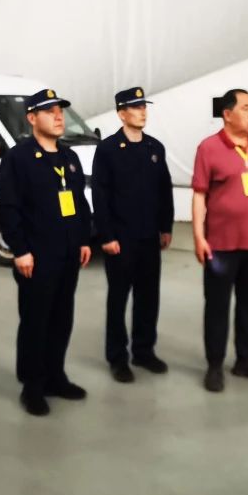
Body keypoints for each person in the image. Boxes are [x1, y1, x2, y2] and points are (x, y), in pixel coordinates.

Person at [0, 88, 93, 416]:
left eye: (60, 111)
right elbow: (9, 208)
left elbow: (78, 203)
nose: (58, 117)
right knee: (35, 322)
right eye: (49, 111)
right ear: (32, 118)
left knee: (62, 319)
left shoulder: (69, 158)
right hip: (36, 256)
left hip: (68, 253)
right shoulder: (19, 158)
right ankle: (33, 386)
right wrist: (20, 250)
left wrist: (83, 239)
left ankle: (56, 377)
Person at [192, 89, 248, 392]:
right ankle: (215, 365)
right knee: (217, 306)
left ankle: (245, 360)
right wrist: (199, 236)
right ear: (227, 114)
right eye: (245, 108)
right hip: (221, 245)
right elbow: (199, 195)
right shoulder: (208, 148)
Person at [92, 87, 175, 383]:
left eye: (144, 106)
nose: (142, 112)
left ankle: (143, 350)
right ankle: (117, 357)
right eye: (136, 107)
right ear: (121, 114)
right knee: (118, 299)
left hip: (149, 237)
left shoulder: (154, 148)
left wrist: (166, 227)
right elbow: (100, 195)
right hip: (121, 239)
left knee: (148, 297)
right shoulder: (108, 149)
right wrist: (106, 236)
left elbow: (164, 190)